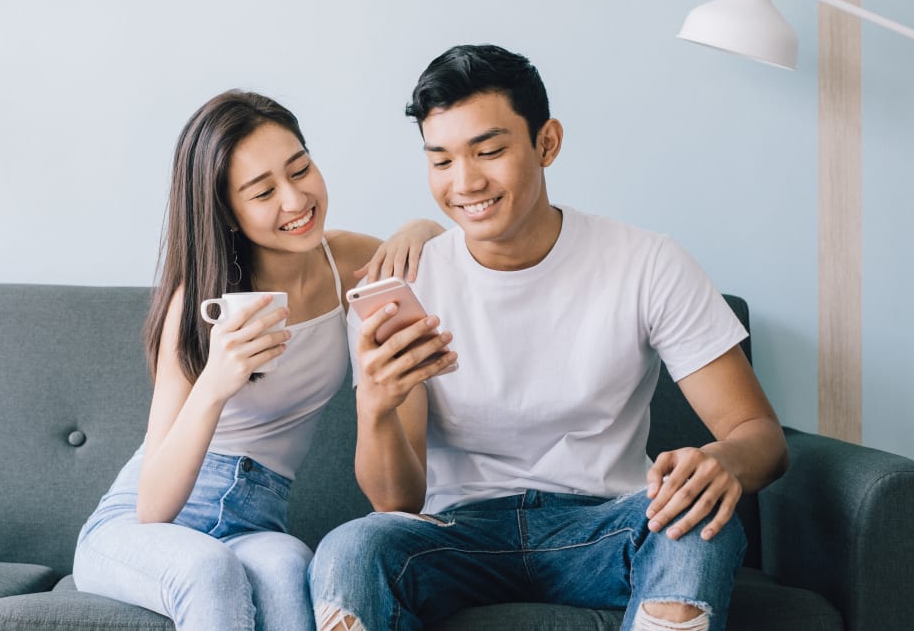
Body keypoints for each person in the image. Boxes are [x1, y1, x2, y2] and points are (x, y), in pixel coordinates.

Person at [308, 45, 790, 631]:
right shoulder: (407, 284)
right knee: (351, 549)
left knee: (698, 520)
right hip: (457, 536)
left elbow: (760, 437)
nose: (465, 182)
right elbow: (395, 505)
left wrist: (719, 463)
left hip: (607, 525)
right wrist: (377, 405)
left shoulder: (647, 263)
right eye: (441, 161)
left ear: (547, 143)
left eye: (488, 151)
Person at [72, 89, 443, 631]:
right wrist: (216, 382)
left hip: (256, 519)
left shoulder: (348, 263)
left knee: (292, 566)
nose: (295, 201)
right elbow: (153, 507)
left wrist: (416, 228)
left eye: (301, 169)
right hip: (138, 526)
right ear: (227, 210)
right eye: (263, 191)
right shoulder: (198, 300)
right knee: (208, 571)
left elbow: (434, 244)